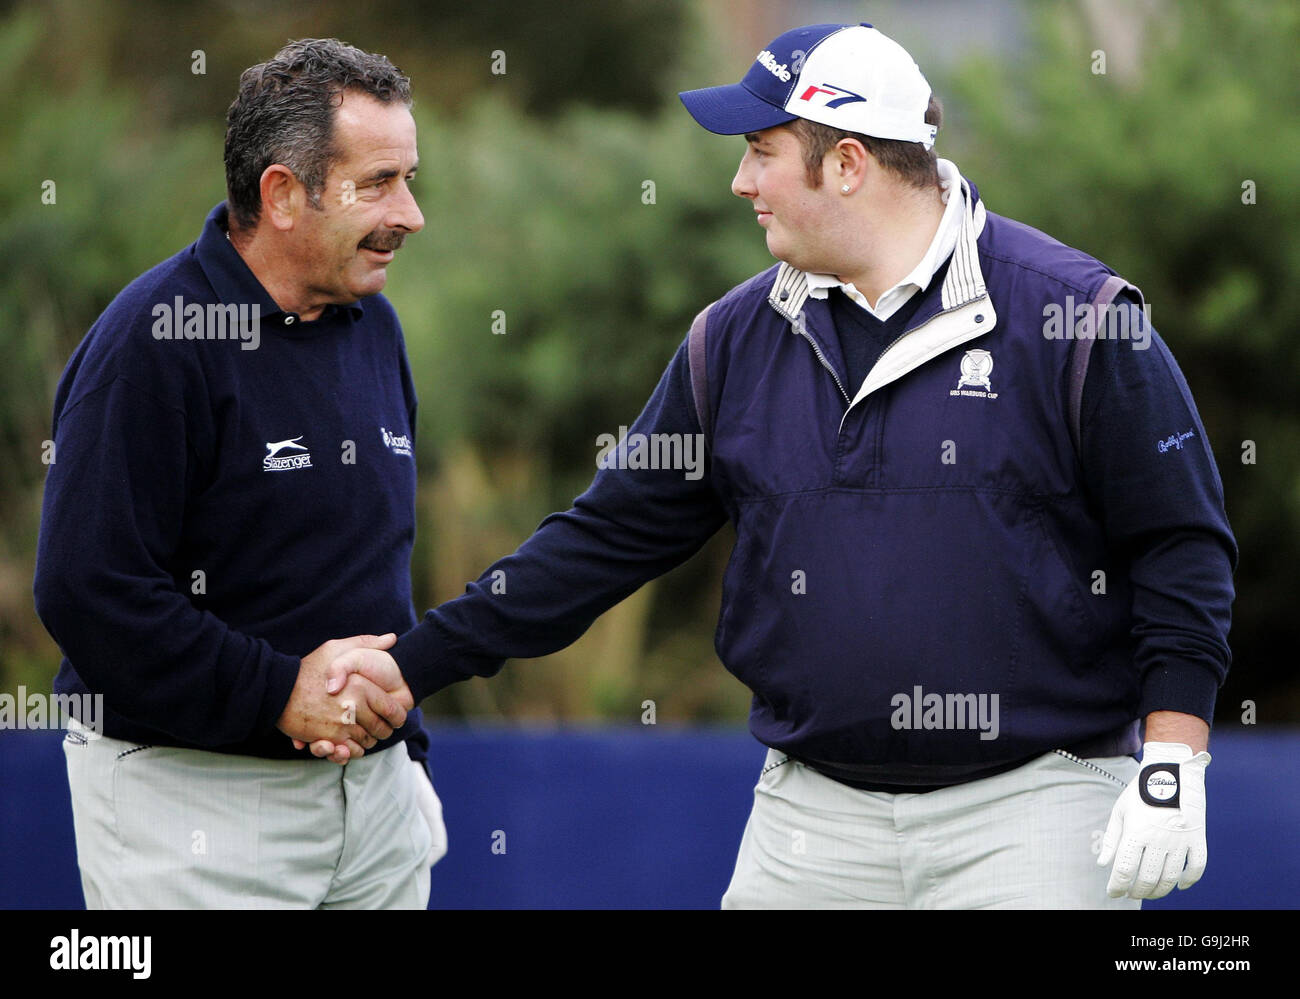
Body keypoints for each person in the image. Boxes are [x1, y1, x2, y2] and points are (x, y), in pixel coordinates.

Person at [319, 22, 1236, 908]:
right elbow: (607, 538)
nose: (738, 180)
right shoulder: (734, 337)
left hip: (1034, 809)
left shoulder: (1080, 316)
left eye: (760, 150)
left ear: (846, 165)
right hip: (811, 817)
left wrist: (1173, 756)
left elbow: (1180, 544)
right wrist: (420, 661)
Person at [34, 38, 446, 909]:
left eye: (409, 179)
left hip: (376, 813)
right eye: (379, 183)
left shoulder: (375, 325)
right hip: (194, 814)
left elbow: (368, 569)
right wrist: (276, 692)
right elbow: (86, 589)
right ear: (283, 194)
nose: (410, 214)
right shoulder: (153, 340)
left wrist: (399, 755)